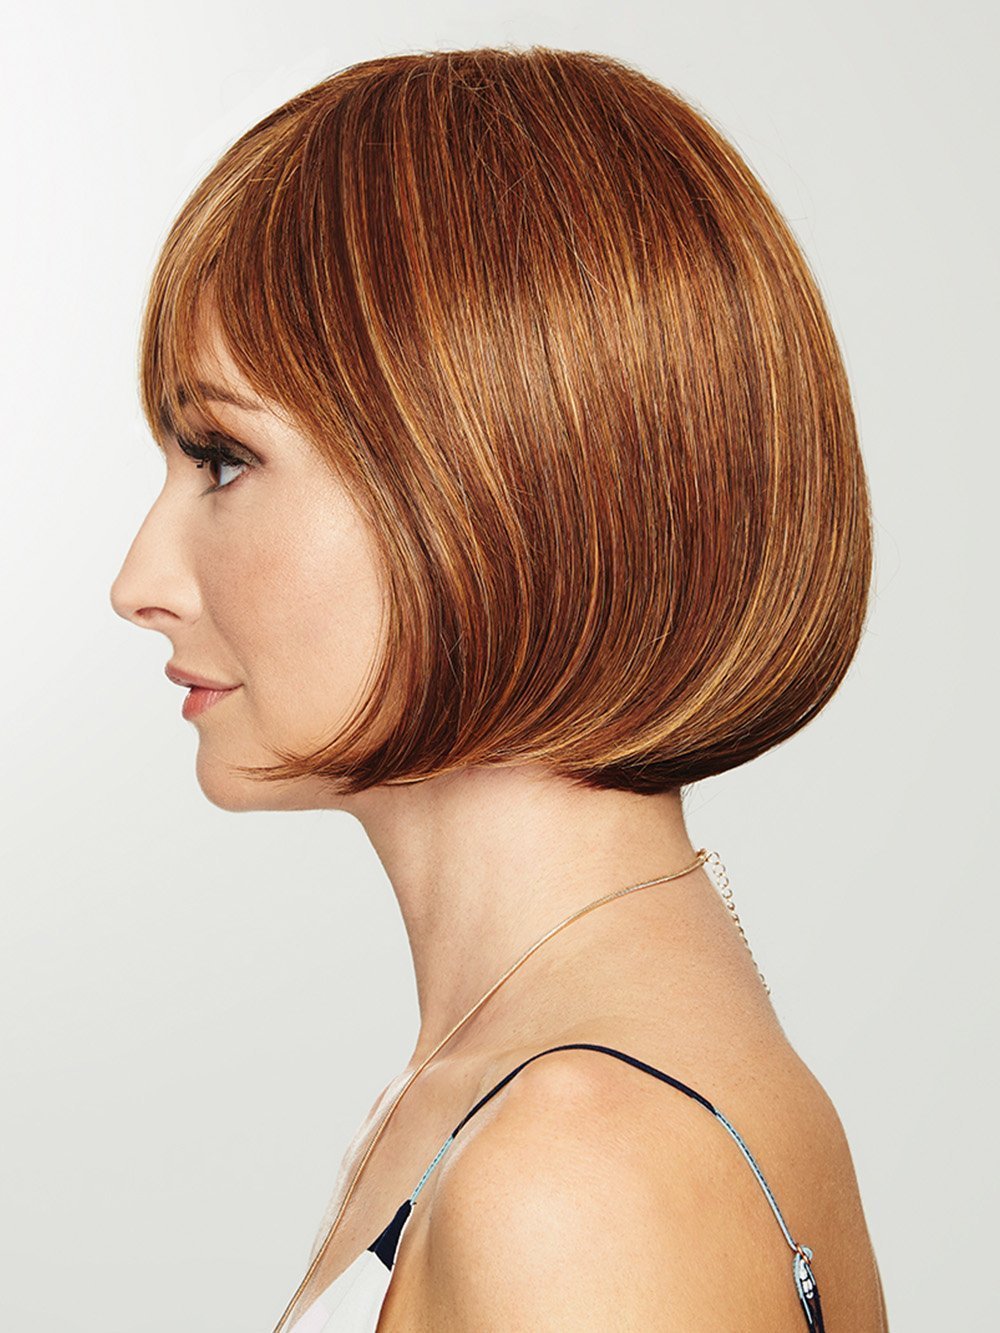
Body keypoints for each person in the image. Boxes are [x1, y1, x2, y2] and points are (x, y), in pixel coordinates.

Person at [110, 44, 888, 1332]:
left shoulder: (578, 1169)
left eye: (223, 458)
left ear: (498, 480)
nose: (139, 581)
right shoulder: (530, 1092)